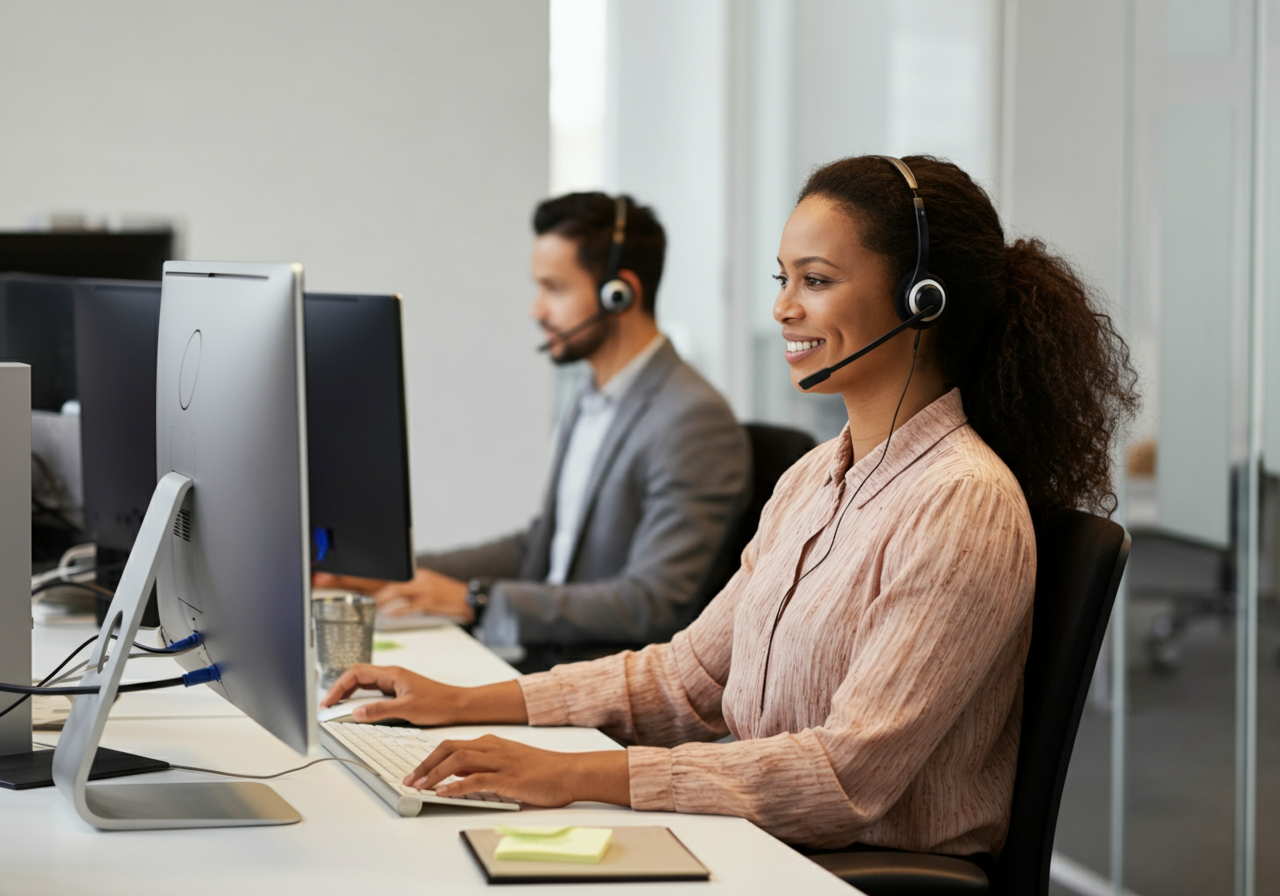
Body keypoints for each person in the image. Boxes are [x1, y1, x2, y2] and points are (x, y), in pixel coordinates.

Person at [320, 156, 1138, 858]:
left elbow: (842, 778)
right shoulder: (817, 476)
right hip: (766, 841)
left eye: (816, 281)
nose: (783, 308)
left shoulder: (962, 503)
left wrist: (575, 773)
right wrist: (462, 702)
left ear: (922, 299)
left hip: (847, 870)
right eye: (783, 279)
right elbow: (688, 677)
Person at [317, 192, 750, 662]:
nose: (536, 310)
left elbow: (655, 601)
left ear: (619, 293)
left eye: (555, 288)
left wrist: (474, 600)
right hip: (540, 654)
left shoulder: (691, 419)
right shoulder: (591, 398)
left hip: (601, 678)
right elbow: (541, 547)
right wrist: (397, 572)